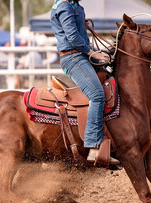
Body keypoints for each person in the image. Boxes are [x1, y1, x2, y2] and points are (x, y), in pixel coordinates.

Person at [50, 0, 111, 161]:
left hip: (79, 55)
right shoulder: (64, 6)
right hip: (74, 57)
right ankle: (93, 146)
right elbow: (72, 36)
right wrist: (93, 53)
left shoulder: (72, 5)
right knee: (97, 95)